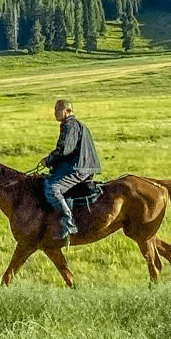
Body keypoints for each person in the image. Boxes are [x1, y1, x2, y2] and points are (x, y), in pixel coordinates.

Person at [38, 99, 101, 240]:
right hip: (79, 166)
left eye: (57, 110)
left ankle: (68, 223)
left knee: (52, 188)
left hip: (79, 168)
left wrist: (48, 160)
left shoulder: (70, 125)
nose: (55, 113)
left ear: (67, 111)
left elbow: (65, 150)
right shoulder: (71, 125)